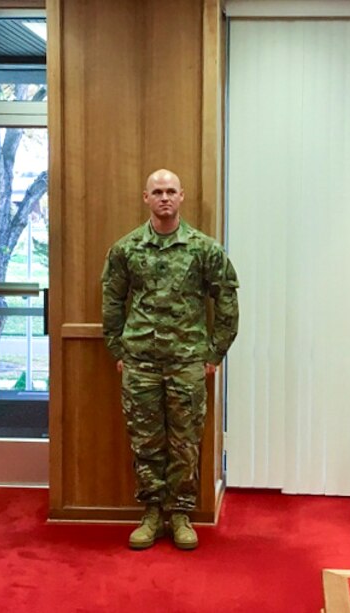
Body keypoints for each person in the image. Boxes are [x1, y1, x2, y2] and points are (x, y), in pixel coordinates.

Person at [101, 169, 239, 551]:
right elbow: (112, 301)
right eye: (157, 191)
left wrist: (215, 353)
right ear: (146, 197)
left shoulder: (204, 250)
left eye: (171, 191)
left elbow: (226, 301)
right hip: (140, 363)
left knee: (185, 443)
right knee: (146, 442)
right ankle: (150, 513)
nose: (164, 197)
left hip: (187, 364)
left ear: (182, 197)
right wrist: (118, 349)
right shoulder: (126, 249)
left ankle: (180, 514)